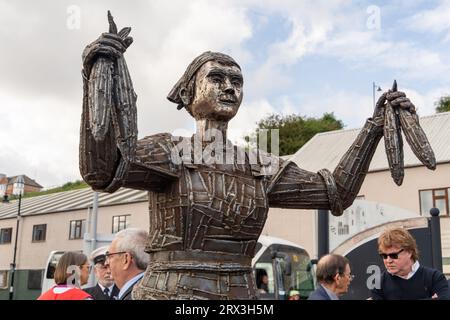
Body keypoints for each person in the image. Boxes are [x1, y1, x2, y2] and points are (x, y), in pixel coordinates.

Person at [80, 13, 416, 300]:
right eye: (216, 78)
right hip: (170, 292)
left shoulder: (260, 166)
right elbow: (101, 170)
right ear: (187, 93)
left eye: (237, 81)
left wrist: (373, 128)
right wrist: (95, 79)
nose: (229, 87)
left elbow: (336, 192)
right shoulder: (169, 150)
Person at [371, 227, 449, 300]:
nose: (388, 260)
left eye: (393, 255)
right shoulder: (378, 283)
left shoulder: (434, 277)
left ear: (409, 252)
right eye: (384, 256)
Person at [105, 228, 149, 300]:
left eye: (110, 256)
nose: (106, 263)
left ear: (126, 259)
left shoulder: (135, 296)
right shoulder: (152, 289)